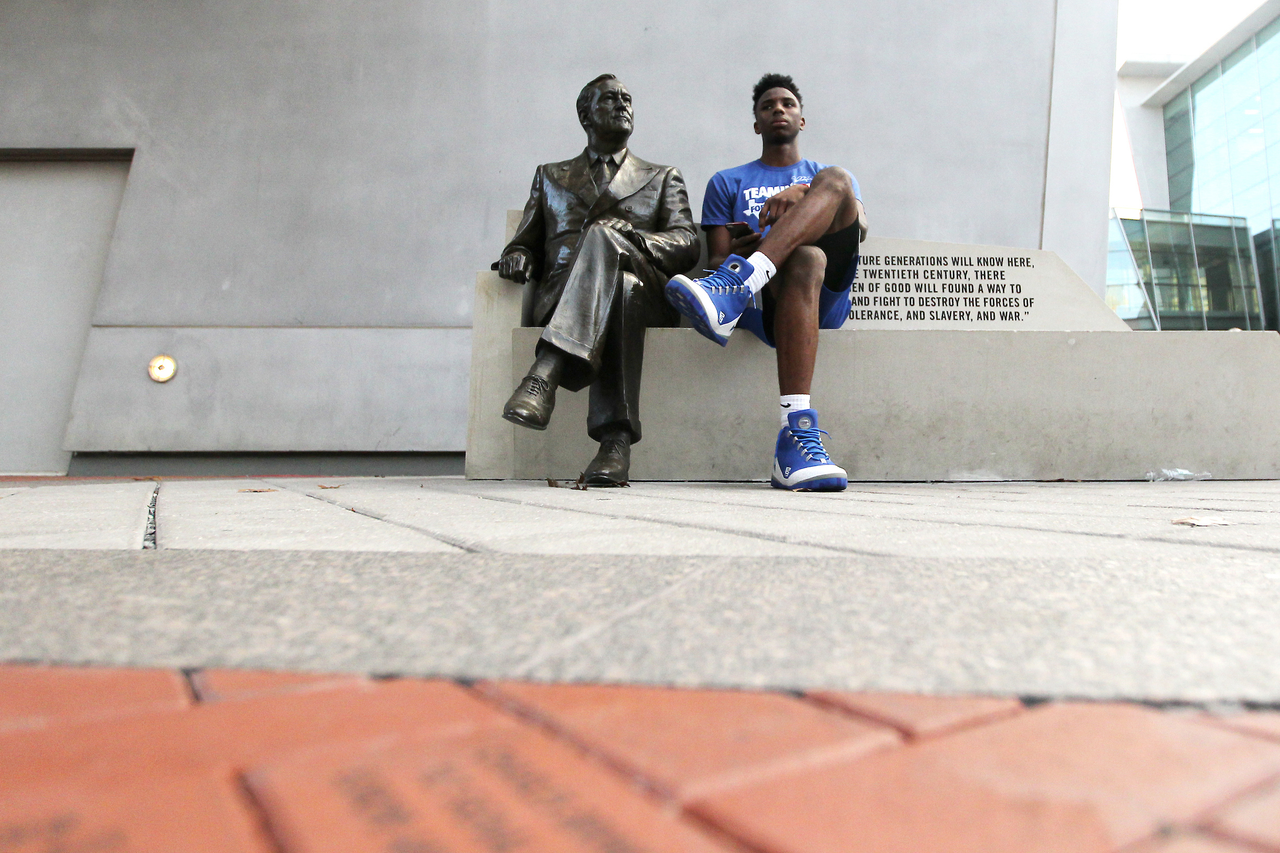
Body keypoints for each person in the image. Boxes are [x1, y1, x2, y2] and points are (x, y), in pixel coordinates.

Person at [666, 73, 866, 491]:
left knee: (837, 181)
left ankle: (738, 284)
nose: (779, 109)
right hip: (769, 302)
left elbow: (859, 225)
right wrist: (753, 247)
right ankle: (795, 440)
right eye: (768, 106)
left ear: (802, 120)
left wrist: (800, 192)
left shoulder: (820, 175)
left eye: (788, 103)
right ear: (756, 123)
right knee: (805, 257)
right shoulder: (727, 182)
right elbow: (718, 257)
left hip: (826, 295)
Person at [498, 74, 700, 485]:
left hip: (651, 299)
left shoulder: (662, 176)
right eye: (610, 99)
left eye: (627, 98)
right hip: (566, 296)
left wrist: (631, 236)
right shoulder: (550, 175)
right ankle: (615, 444)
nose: (623, 104)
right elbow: (525, 242)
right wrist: (516, 256)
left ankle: (546, 371)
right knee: (620, 289)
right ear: (585, 114)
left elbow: (686, 243)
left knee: (610, 241)